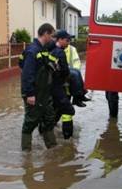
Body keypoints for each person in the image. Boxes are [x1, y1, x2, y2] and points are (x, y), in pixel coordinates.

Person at [19, 23, 58, 151]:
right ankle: (26, 153)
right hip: (34, 94)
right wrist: (29, 94)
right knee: (30, 123)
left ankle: (52, 149)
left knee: (49, 119)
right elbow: (26, 74)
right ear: (46, 34)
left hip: (44, 94)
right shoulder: (32, 51)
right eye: (52, 36)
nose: (53, 39)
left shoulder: (43, 50)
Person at [49, 30, 76, 139]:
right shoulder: (60, 52)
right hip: (58, 86)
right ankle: (67, 139)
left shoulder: (51, 50)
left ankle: (46, 133)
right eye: (67, 40)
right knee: (69, 110)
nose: (68, 42)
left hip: (50, 87)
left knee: (54, 110)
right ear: (60, 39)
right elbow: (65, 71)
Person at [64, 42, 90, 107]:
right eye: (66, 39)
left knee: (76, 73)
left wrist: (74, 70)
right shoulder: (55, 49)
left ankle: (79, 96)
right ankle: (79, 97)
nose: (68, 41)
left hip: (71, 80)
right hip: (62, 79)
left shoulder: (71, 49)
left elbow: (77, 63)